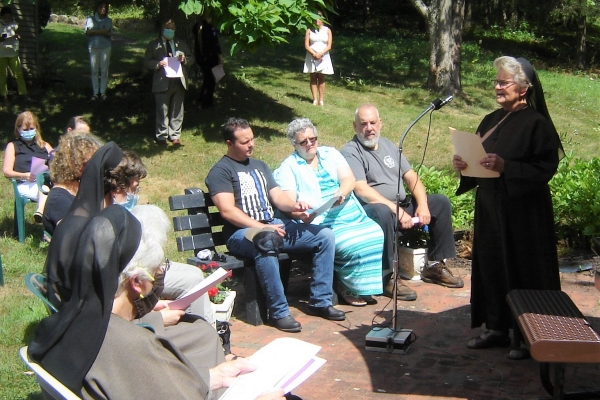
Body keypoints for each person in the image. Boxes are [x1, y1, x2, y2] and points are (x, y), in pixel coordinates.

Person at [28, 204, 285, 400]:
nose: (160, 277)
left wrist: (212, 376)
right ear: (137, 282)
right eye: (157, 271)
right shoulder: (133, 345)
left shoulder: (68, 325)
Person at [452, 56, 563, 360]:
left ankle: (529, 336)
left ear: (523, 88)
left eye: (504, 82)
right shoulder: (490, 120)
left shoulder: (537, 124)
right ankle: (497, 327)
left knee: (523, 269)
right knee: (491, 266)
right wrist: (464, 165)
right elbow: (479, 161)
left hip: (524, 213)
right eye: (497, 82)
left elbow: (545, 169)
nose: (498, 87)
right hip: (490, 208)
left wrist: (506, 167)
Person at [206, 117, 345, 332]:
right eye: (244, 142)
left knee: (324, 236)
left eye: (252, 139)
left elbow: (278, 197)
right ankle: (279, 312)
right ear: (229, 143)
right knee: (267, 241)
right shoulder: (221, 172)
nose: (251, 145)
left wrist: (294, 206)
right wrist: (261, 227)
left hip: (273, 225)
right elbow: (227, 210)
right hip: (242, 233)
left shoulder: (260, 166)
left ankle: (321, 301)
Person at [340, 104, 464, 302]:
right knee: (382, 211)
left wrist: (422, 205)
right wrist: (396, 210)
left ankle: (434, 265)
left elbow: (411, 177)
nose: (369, 128)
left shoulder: (389, 146)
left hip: (401, 206)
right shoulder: (351, 151)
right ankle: (387, 277)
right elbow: (361, 189)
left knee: (440, 202)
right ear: (355, 126)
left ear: (380, 123)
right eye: (363, 124)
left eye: (373, 122)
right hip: (374, 212)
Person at [274, 118, 384, 306]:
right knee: (350, 243)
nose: (310, 144)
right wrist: (299, 212)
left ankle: (360, 287)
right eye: (303, 141)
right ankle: (345, 285)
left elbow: (348, 178)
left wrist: (341, 193)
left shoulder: (330, 154)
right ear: (294, 144)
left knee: (375, 233)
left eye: (313, 139)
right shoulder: (289, 167)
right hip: (321, 220)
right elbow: (290, 202)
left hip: (349, 212)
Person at [42, 132, 102, 237]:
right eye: (87, 163)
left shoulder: (79, 190)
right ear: (71, 163)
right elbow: (73, 236)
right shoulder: (59, 200)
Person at [144, 19, 193, 146]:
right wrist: (158, 64)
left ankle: (175, 135)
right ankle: (161, 136)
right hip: (162, 81)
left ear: (175, 30)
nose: (169, 30)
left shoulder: (181, 44)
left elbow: (191, 58)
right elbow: (146, 62)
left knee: (177, 110)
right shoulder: (154, 44)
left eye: (172, 28)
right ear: (162, 29)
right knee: (162, 110)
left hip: (179, 80)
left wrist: (184, 59)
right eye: (167, 28)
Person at [3, 111, 53, 221]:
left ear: (36, 128)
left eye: (31, 129)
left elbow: (56, 162)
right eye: (25, 130)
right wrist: (24, 175)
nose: (29, 132)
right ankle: (41, 212)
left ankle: (47, 218)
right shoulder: (13, 146)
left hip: (46, 180)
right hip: (25, 183)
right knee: (49, 192)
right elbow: (6, 171)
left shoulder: (44, 145)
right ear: (18, 129)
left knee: (57, 191)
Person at [193, 12, 223, 109]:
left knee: (207, 78)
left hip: (201, 58)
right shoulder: (210, 28)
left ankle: (201, 98)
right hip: (210, 58)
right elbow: (216, 44)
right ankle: (207, 102)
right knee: (211, 81)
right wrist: (220, 57)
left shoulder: (196, 27)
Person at [303, 11, 333, 106]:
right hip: (311, 56)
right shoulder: (309, 30)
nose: (316, 21)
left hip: (324, 56)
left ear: (322, 19)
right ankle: (315, 99)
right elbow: (306, 45)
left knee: (321, 77)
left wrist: (321, 53)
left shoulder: (327, 30)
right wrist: (314, 54)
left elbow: (329, 45)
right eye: (314, 19)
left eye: (318, 19)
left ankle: (321, 100)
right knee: (313, 77)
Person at [0, 6, 29, 102]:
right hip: (1, 54)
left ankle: (23, 94)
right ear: (1, 16)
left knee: (19, 75)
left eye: (9, 17)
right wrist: (3, 38)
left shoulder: (14, 25)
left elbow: (19, 36)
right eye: (5, 17)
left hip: (13, 53)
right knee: (2, 76)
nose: (7, 19)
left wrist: (18, 37)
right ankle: (4, 96)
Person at [84, 1, 112, 101]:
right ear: (97, 8)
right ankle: (95, 93)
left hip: (105, 47)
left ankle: (103, 92)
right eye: (101, 7)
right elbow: (87, 32)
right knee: (94, 70)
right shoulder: (90, 19)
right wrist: (101, 31)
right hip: (93, 47)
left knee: (104, 71)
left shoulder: (108, 20)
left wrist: (94, 31)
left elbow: (106, 31)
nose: (103, 9)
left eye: (105, 7)